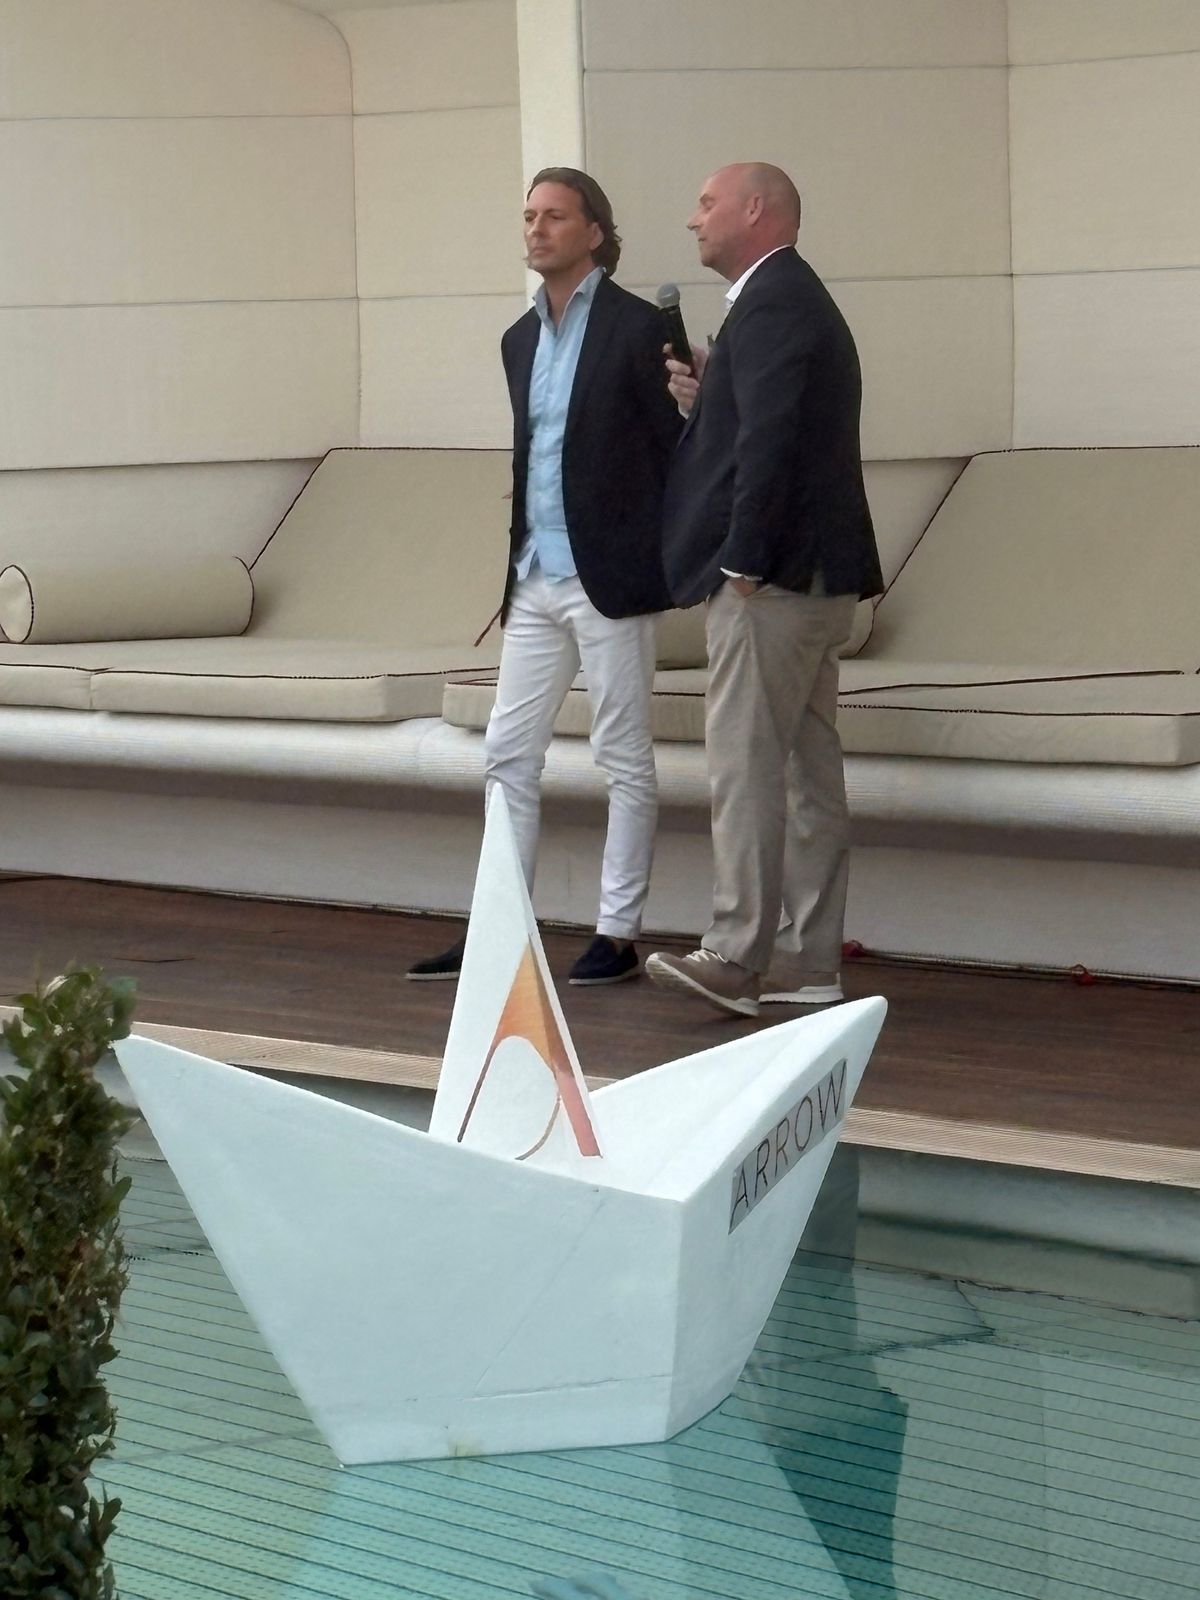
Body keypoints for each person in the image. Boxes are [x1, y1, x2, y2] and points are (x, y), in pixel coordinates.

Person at [409, 168, 683, 987]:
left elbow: (673, 449)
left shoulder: (638, 327)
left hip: (610, 575)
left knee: (622, 752)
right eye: (529, 216)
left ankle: (617, 932)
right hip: (533, 572)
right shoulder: (518, 338)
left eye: (555, 217)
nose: (536, 229)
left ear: (594, 232)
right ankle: (499, 927)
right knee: (507, 751)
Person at [645, 163, 882, 1017]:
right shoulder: (786, 298)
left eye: (707, 203)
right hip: (813, 576)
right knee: (807, 774)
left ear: (756, 211)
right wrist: (711, 394)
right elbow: (772, 424)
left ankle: (736, 953)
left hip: (772, 580)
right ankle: (808, 962)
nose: (694, 219)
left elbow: (772, 444)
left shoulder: (774, 300)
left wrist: (741, 562)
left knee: (747, 768)